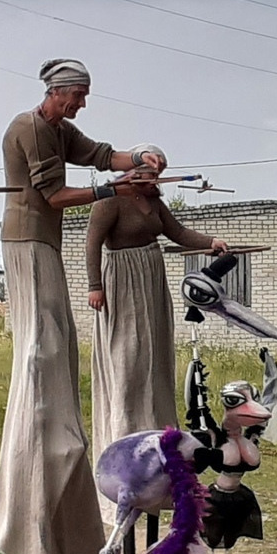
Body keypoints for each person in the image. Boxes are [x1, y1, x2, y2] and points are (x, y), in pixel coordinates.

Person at [0, 60, 164, 554]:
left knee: (58, 341)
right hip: (26, 240)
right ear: (57, 92)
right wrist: (112, 188)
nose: (82, 105)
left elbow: (99, 153)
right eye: (78, 96)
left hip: (45, 244)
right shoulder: (31, 127)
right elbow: (54, 196)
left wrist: (138, 160)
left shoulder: (60, 130)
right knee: (40, 344)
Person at [84, 172, 229, 479]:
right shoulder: (110, 200)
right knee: (128, 355)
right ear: (133, 173)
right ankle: (125, 436)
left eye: (159, 173)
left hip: (151, 277)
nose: (157, 180)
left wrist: (210, 243)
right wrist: (95, 285)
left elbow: (177, 232)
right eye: (151, 173)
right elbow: (92, 243)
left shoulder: (153, 202)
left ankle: (158, 435)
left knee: (154, 354)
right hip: (123, 278)